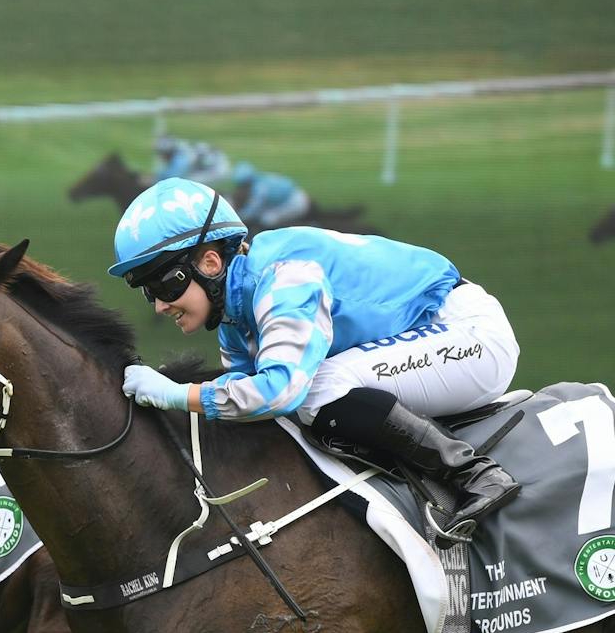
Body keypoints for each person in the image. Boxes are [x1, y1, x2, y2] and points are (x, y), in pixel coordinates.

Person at [109, 177, 520, 534]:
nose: (160, 306)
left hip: (470, 336)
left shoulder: (284, 277)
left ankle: (474, 474)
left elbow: (279, 393)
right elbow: (242, 392)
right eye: (148, 292)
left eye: (165, 285)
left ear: (211, 263)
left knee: (317, 390)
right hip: (428, 339)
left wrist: (175, 396)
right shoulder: (236, 311)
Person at [229, 161, 310, 230]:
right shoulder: (260, 179)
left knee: (267, 220)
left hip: (295, 203)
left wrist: (233, 220)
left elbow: (252, 211)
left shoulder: (260, 189)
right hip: (294, 196)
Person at [152, 135, 232, 189]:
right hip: (216, 164)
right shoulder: (180, 148)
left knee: (185, 184)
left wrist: (154, 179)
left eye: (161, 153)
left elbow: (173, 177)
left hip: (217, 170)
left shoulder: (180, 158)